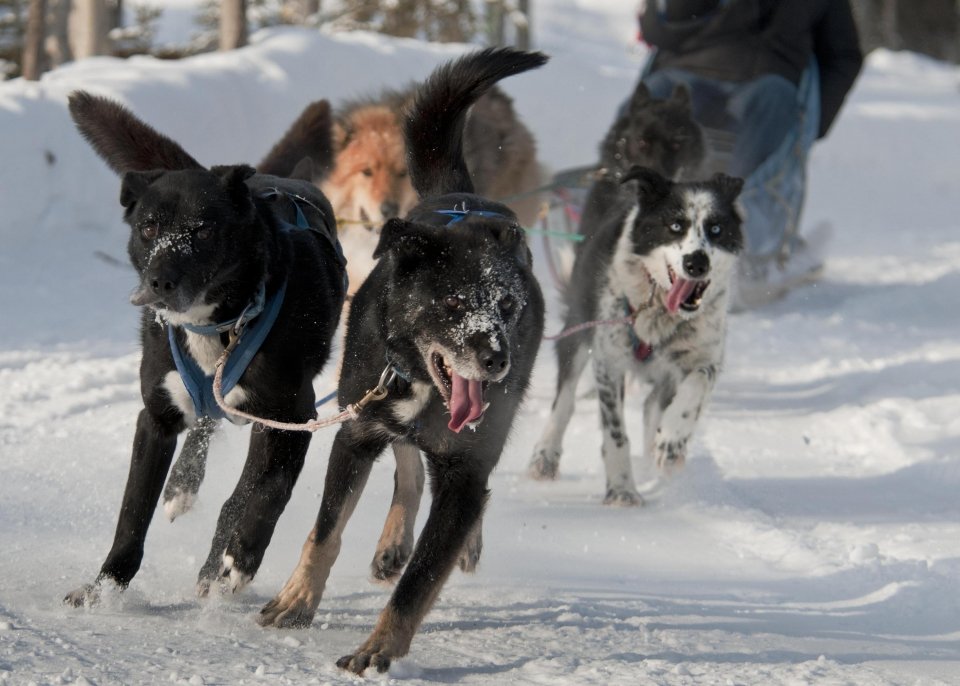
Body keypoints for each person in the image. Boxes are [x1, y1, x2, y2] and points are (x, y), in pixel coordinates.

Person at [636, 0, 864, 307]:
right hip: (691, 70)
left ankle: (743, 243)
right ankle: (622, 223)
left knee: (770, 98)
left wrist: (813, 124)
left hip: (767, 79)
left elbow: (844, 56)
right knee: (658, 93)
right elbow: (663, 29)